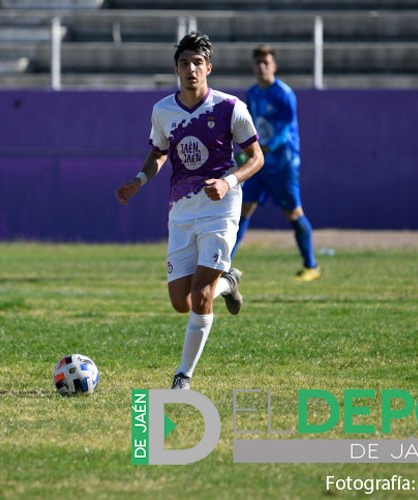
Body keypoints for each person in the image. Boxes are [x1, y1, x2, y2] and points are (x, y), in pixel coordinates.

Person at [116, 32, 264, 390]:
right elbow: (158, 153)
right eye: (185, 63)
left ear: (208, 68)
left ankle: (183, 375)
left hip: (220, 206)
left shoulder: (230, 107)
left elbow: (256, 157)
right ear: (176, 69)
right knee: (181, 302)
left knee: (200, 296)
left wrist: (229, 182)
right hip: (181, 209)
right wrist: (139, 180)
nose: (191, 69)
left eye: (198, 62)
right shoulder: (163, 111)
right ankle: (229, 282)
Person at [231, 45, 320, 282]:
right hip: (259, 166)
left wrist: (259, 151)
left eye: (266, 63)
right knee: (243, 211)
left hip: (282, 165)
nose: (262, 67)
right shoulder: (252, 93)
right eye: (258, 62)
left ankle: (311, 266)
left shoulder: (284, 94)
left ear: (274, 66)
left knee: (293, 212)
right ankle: (222, 264)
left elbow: (282, 133)